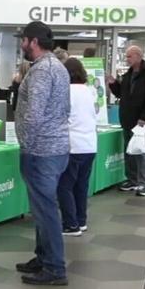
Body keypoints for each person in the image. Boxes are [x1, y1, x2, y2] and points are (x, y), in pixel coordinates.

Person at [12, 21, 70, 286]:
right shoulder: (56, 67)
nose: (21, 44)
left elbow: (33, 114)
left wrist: (25, 142)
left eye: (23, 39)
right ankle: (43, 257)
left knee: (46, 210)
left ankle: (55, 268)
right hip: (54, 147)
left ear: (33, 41)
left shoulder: (43, 71)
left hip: (41, 150)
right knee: (43, 208)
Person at [107, 45, 145, 197]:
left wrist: (144, 118)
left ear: (138, 56)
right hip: (127, 119)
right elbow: (121, 94)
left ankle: (144, 183)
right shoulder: (129, 74)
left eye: (129, 56)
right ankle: (132, 180)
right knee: (130, 151)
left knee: (142, 152)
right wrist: (113, 84)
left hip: (141, 121)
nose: (127, 59)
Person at [56, 59, 97, 237]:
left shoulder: (65, 92)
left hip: (72, 145)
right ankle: (81, 221)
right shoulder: (90, 91)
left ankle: (70, 224)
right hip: (90, 144)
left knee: (64, 186)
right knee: (81, 185)